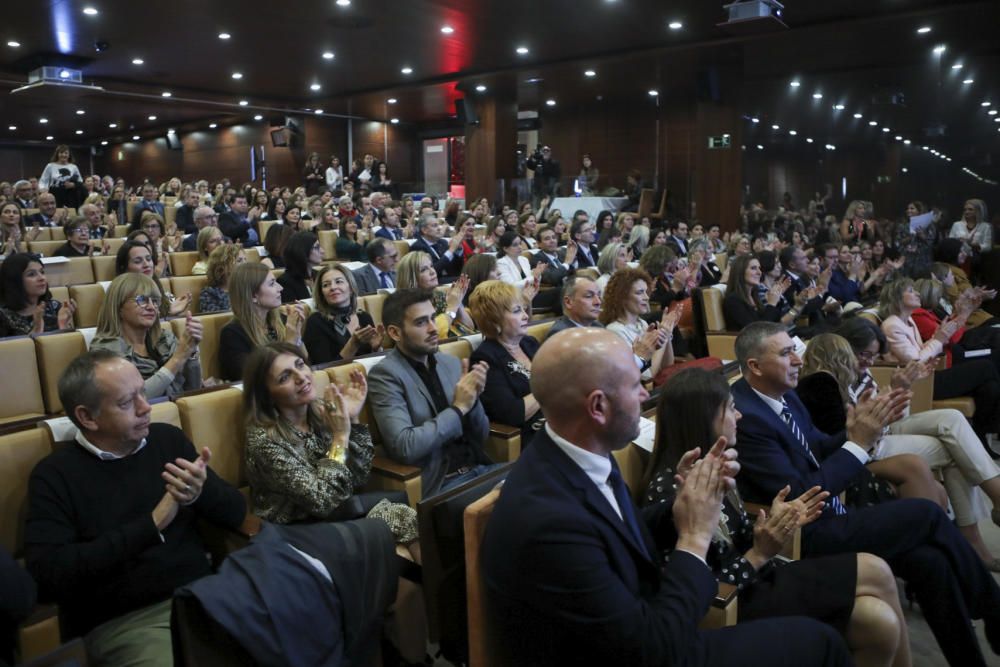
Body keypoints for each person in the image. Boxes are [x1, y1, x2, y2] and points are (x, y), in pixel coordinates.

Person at [482, 327, 853, 667]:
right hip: (648, 648)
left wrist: (677, 510)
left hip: (647, 624)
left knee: (835, 629)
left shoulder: (579, 454)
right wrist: (693, 538)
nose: (646, 394)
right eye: (633, 385)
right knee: (821, 644)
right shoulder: (548, 521)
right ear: (598, 407)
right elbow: (652, 651)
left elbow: (617, 533)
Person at [731, 321, 1000, 666]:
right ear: (755, 366)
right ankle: (993, 609)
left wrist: (857, 428)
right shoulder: (748, 418)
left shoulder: (784, 396)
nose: (798, 360)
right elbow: (801, 495)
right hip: (802, 535)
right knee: (925, 512)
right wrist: (858, 444)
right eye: (786, 354)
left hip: (832, 514)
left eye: (793, 350)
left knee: (930, 563)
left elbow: (818, 448)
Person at [644, 368, 910, 667]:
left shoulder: (715, 465)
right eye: (731, 409)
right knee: (876, 580)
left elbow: (740, 536)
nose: (740, 416)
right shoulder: (671, 492)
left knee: (880, 621)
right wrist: (759, 553)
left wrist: (773, 524)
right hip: (732, 603)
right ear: (704, 418)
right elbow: (702, 592)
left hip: (756, 575)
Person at [25, 350, 246, 664]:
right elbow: (47, 576)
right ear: (87, 417)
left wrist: (201, 494)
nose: (146, 408)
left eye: (143, 392)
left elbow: (237, 512)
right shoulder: (55, 475)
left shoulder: (168, 441)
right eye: (127, 402)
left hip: (206, 594)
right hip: (127, 621)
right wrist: (151, 524)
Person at [806, 321, 1000, 567]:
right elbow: (857, 429)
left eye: (873, 356)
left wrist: (899, 392)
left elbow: (893, 417)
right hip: (866, 444)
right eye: (864, 354)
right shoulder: (827, 382)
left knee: (952, 418)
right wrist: (889, 399)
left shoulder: (862, 375)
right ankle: (974, 535)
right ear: (844, 348)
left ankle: (984, 517)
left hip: (880, 433)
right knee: (954, 449)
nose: (868, 361)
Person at [367, 289, 498, 497]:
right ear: (395, 333)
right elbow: (405, 447)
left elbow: (481, 435)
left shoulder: (451, 364)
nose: (433, 328)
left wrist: (473, 402)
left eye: (433, 318)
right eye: (421, 322)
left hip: (481, 469)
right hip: (443, 485)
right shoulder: (385, 375)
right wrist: (459, 408)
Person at [879, 278, 1000, 445]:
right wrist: (940, 338)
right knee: (987, 366)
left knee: (989, 388)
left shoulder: (907, 320)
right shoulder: (892, 325)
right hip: (918, 383)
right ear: (897, 297)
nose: (917, 293)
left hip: (929, 374)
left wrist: (938, 336)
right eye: (911, 291)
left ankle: (980, 437)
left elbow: (921, 351)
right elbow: (915, 362)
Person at [90, 273, 202, 399]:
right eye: (142, 300)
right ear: (118, 307)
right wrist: (178, 358)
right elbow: (132, 400)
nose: (151, 307)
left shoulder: (165, 339)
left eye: (155, 301)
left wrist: (191, 353)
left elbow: (193, 391)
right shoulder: (105, 349)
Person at [467, 281, 543, 446]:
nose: (525, 315)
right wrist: (549, 386)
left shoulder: (529, 343)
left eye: (523, 309)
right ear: (494, 321)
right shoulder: (485, 358)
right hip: (532, 437)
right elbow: (514, 414)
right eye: (517, 311)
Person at [219, 262, 305, 382]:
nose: (280, 288)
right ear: (253, 295)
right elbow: (253, 379)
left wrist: (297, 335)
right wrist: (290, 343)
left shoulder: (282, 320)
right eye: (272, 284)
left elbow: (305, 364)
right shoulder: (232, 333)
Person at [599, 268, 679, 381]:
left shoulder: (642, 324)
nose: (646, 297)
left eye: (646, 292)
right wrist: (663, 333)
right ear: (622, 297)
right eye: (639, 292)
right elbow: (647, 376)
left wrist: (666, 336)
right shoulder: (615, 331)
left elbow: (667, 366)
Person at [303, 264, 383, 365]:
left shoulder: (364, 317)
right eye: (326, 285)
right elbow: (324, 368)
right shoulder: (315, 322)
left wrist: (376, 349)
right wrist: (353, 345)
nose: (333, 287)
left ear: (350, 288)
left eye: (338, 282)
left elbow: (371, 361)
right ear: (322, 294)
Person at [396, 251, 476, 337]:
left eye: (431, 266)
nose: (432, 272)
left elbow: (469, 329)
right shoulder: (407, 305)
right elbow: (431, 334)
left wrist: (457, 300)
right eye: (423, 270)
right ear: (411, 279)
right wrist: (452, 307)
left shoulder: (439, 295)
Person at [722, 254, 809, 332]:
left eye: (759, 268)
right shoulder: (733, 300)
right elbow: (758, 331)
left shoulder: (754, 295)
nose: (759, 272)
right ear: (740, 272)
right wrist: (771, 303)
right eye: (753, 268)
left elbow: (775, 323)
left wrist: (777, 298)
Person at [0, 252, 75, 337]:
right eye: (31, 274)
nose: (41, 278)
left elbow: (67, 346)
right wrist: (37, 328)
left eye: (42, 272)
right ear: (14, 281)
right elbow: (12, 349)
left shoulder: (54, 307)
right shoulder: (3, 316)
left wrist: (62, 324)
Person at [115, 241, 191, 317]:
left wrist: (170, 312)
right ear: (124, 268)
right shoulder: (121, 295)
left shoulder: (160, 290)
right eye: (138, 261)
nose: (146, 264)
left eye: (148, 259)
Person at [410, 214, 464, 283]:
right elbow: (432, 271)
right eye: (434, 226)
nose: (439, 228)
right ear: (424, 230)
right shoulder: (418, 247)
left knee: (468, 278)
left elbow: (457, 268)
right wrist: (451, 250)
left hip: (450, 278)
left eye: (438, 225)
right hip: (434, 281)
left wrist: (458, 249)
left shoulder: (443, 242)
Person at [278, 231, 324, 303]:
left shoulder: (319, 275)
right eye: (316, 247)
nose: (322, 251)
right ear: (302, 251)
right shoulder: (285, 282)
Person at [199, 244, 245, 313]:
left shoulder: (248, 288)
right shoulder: (210, 293)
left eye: (245, 260)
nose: (246, 264)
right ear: (222, 267)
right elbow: (217, 321)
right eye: (239, 260)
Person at [38, 145, 83, 209]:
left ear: (69, 155)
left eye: (66, 153)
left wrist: (73, 184)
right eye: (61, 153)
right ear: (57, 154)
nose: (63, 155)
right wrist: (43, 190)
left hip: (70, 194)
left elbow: (80, 181)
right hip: (54, 193)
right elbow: (43, 180)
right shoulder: (50, 166)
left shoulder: (74, 167)